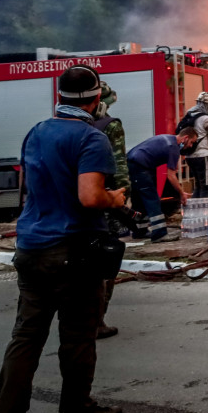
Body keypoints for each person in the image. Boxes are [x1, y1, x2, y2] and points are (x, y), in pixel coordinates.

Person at [0, 66, 127, 413]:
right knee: (78, 335)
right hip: (71, 251)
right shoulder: (91, 137)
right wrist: (115, 199)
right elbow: (90, 197)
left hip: (30, 248)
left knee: (25, 338)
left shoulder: (36, 132)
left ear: (60, 96)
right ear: (95, 98)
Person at [92, 82, 131, 339]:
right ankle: (97, 321)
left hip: (77, 203)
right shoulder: (110, 125)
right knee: (106, 262)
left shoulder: (68, 124)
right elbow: (119, 166)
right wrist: (125, 199)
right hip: (104, 202)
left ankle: (77, 318)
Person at [126, 129, 196, 242]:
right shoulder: (174, 147)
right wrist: (181, 193)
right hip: (140, 165)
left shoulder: (168, 139)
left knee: (139, 199)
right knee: (152, 199)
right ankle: (159, 234)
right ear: (185, 138)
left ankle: (140, 231)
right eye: (191, 142)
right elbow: (171, 176)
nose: (190, 146)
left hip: (133, 162)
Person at [179, 91, 208, 199]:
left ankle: (195, 212)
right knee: (205, 186)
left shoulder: (190, 114)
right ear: (206, 104)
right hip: (203, 156)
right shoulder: (206, 118)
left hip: (190, 156)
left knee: (198, 186)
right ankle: (205, 212)